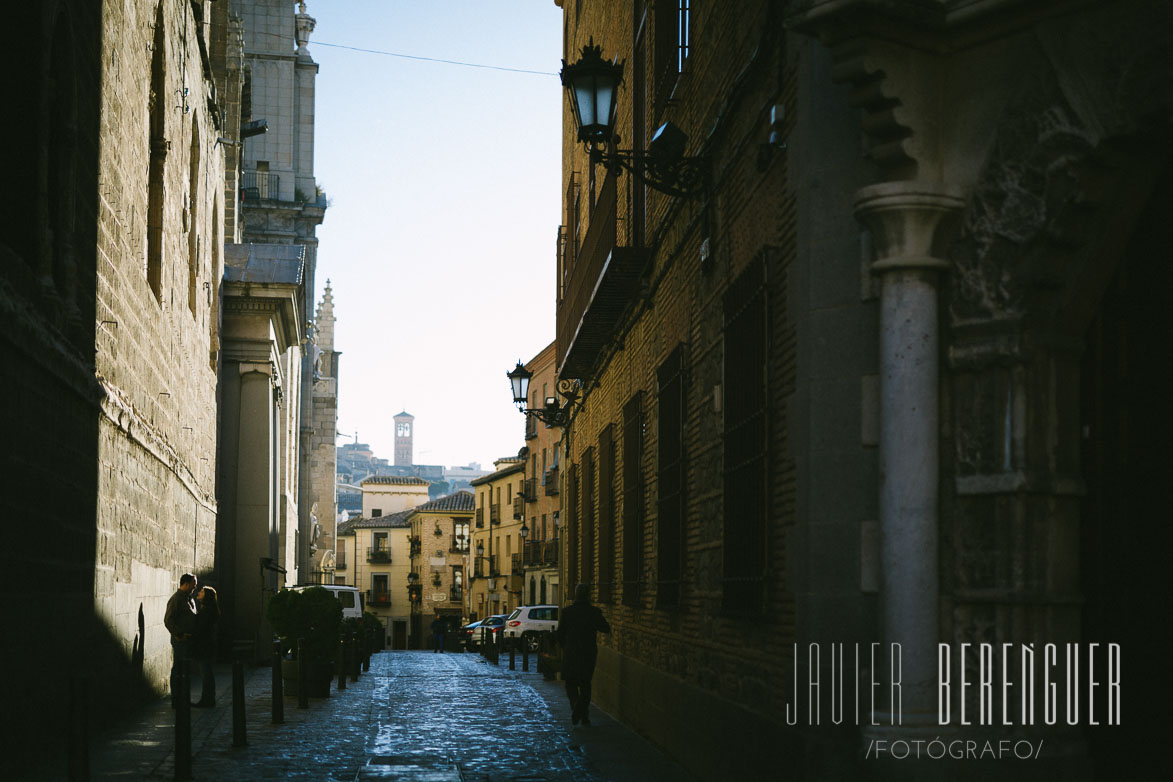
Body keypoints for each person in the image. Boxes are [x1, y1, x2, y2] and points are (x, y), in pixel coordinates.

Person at [555, 583, 611, 726]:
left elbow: (560, 633)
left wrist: (564, 647)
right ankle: (583, 715)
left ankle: (576, 708)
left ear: (575, 594)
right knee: (586, 684)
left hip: (571, 652)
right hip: (588, 653)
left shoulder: (567, 612)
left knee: (570, 684)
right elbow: (605, 628)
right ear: (588, 595)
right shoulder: (594, 612)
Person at [163, 573, 198, 708]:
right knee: (178, 669)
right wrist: (179, 634)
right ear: (186, 584)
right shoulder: (176, 599)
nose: (195, 587)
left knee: (185, 670)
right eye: (193, 584)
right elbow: (168, 620)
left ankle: (184, 698)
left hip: (188, 641)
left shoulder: (190, 599)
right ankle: (177, 699)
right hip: (180, 640)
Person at [192, 585, 220, 707]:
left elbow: (201, 628)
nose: (199, 592)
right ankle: (208, 698)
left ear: (207, 596)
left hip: (204, 645)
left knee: (206, 672)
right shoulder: (210, 610)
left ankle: (207, 699)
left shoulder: (207, 611)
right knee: (207, 672)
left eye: (202, 592)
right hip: (208, 644)